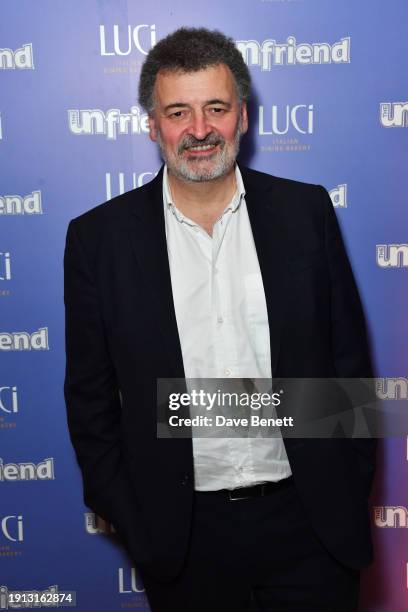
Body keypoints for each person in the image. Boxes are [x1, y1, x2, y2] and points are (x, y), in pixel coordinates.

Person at [64, 27, 376, 612]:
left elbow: (347, 364)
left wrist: (345, 486)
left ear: (244, 118)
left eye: (216, 108)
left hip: (309, 525)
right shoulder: (98, 240)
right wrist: (137, 519)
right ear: (153, 126)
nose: (200, 130)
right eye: (178, 112)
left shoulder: (305, 212)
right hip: (183, 539)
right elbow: (90, 399)